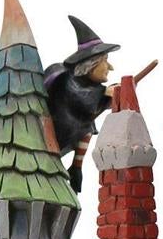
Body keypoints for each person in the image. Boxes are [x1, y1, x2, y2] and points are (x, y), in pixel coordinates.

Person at [44, 16, 119, 191]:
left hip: (73, 134)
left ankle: (76, 167)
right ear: (91, 64)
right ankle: (75, 168)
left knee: (88, 127)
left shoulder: (93, 88)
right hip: (56, 135)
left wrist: (115, 94)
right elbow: (79, 96)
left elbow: (96, 105)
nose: (110, 67)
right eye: (105, 60)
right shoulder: (68, 80)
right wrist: (104, 92)